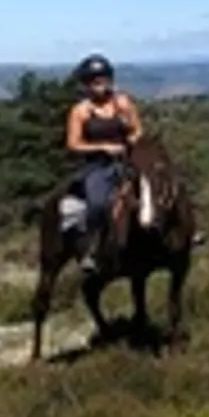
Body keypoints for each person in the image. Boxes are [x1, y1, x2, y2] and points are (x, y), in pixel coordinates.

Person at [65, 53, 143, 275]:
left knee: (163, 181)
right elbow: (73, 144)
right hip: (98, 165)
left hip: (127, 158)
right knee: (98, 202)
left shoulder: (123, 102)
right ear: (87, 85)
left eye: (104, 80)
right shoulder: (80, 111)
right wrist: (103, 147)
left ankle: (184, 231)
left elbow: (138, 129)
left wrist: (131, 138)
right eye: (95, 81)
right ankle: (91, 247)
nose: (101, 85)